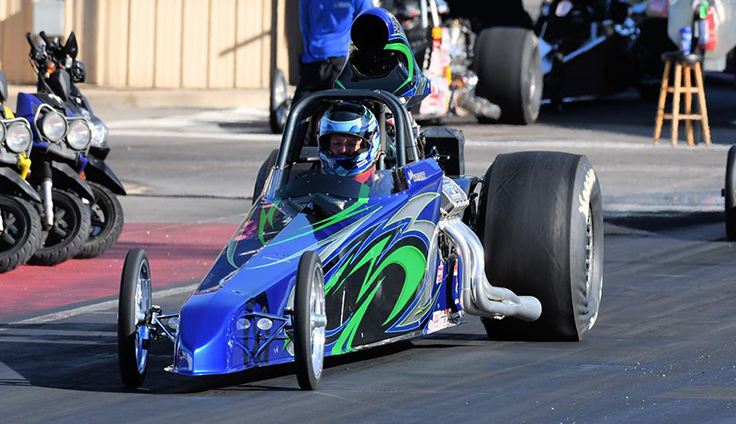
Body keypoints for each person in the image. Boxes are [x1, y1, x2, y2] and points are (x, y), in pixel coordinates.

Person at [293, 0, 374, 104]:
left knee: (298, 112)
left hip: (329, 62)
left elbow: (305, 28)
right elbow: (366, 26)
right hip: (330, 63)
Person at [317, 102, 393, 194]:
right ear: (326, 144)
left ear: (366, 144)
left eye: (352, 144)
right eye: (337, 143)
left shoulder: (388, 187)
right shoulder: (312, 183)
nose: (343, 150)